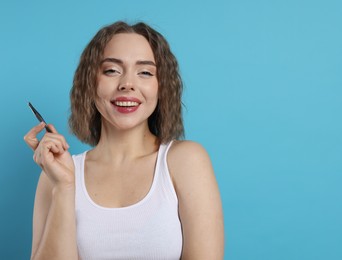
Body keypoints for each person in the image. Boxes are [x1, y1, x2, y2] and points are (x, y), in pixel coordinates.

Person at [24, 21, 224, 260]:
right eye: (112, 70)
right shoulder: (55, 176)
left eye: (145, 72)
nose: (127, 84)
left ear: (161, 88)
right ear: (90, 82)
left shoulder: (186, 160)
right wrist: (65, 187)